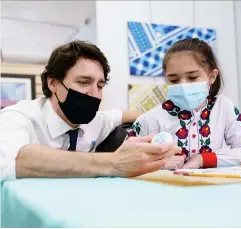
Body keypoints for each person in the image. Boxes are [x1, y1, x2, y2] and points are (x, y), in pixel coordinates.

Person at [0, 40, 181, 182]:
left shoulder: (97, 121)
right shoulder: (17, 117)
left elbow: (120, 115)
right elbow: (16, 159)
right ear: (53, 83)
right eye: (84, 82)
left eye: (100, 85)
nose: (94, 93)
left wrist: (162, 117)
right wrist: (114, 162)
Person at [128, 38, 241, 170]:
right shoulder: (150, 120)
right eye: (174, 80)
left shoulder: (223, 107)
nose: (183, 85)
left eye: (192, 77)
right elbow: (125, 161)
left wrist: (203, 159)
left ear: (212, 76)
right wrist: (158, 164)